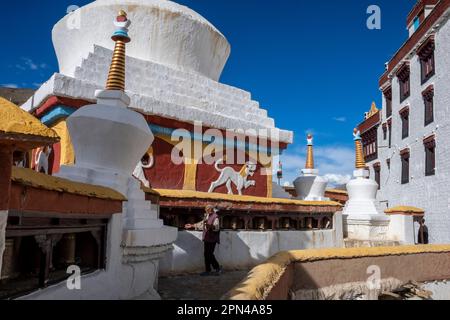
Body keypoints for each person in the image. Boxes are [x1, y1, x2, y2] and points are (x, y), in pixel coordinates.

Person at [185, 205, 222, 276]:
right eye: (206, 210)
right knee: (206, 254)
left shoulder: (215, 217)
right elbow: (202, 224)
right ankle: (208, 270)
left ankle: (217, 268)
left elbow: (216, 227)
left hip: (212, 238)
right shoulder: (207, 216)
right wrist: (192, 225)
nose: (207, 211)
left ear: (211, 209)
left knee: (209, 254)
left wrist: (210, 226)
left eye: (208, 209)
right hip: (207, 238)